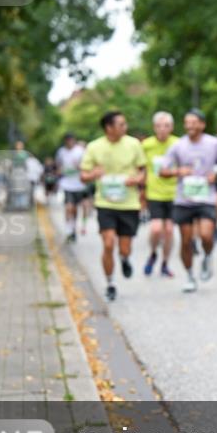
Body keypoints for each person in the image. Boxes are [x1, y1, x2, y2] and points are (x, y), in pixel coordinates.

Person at [80, 111, 147, 302]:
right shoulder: (94, 147)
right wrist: (94, 174)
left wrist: (137, 179)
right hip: (105, 202)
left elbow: (143, 172)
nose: (125, 128)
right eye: (121, 125)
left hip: (129, 203)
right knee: (108, 243)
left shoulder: (133, 144)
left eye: (125, 124)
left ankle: (124, 259)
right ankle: (110, 283)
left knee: (124, 248)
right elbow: (83, 176)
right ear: (109, 127)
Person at [159, 109, 217, 293]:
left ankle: (207, 256)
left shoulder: (214, 144)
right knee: (186, 240)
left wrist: (216, 174)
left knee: (206, 235)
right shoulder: (178, 146)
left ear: (202, 125)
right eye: (187, 122)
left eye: (193, 122)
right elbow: (162, 170)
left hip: (206, 197)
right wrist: (177, 172)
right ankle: (189, 275)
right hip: (184, 199)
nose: (189, 126)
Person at [141, 111, 179, 277]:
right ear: (154, 127)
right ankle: (152, 254)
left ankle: (165, 263)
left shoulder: (178, 144)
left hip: (174, 193)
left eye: (166, 126)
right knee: (156, 229)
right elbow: (140, 167)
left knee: (169, 230)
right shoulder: (146, 145)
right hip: (154, 192)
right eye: (159, 126)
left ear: (172, 127)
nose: (162, 129)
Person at [55, 133, 87, 243]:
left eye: (71, 140)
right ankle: (68, 229)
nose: (69, 142)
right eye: (67, 140)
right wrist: (60, 171)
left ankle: (73, 228)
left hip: (78, 185)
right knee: (69, 207)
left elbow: (86, 166)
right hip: (66, 184)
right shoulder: (61, 152)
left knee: (75, 209)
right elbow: (58, 166)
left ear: (74, 140)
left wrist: (79, 167)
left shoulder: (80, 151)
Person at [77, 139, 95, 235]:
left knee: (85, 206)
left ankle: (83, 226)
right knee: (72, 208)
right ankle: (72, 227)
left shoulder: (90, 158)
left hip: (85, 186)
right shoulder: (74, 156)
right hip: (73, 186)